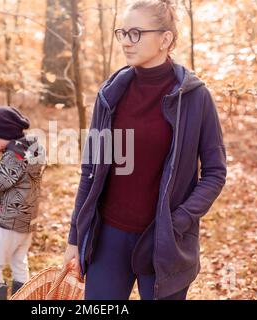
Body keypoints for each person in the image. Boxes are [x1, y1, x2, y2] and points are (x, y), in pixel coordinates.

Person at [63, 0, 227, 300]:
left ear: (165, 39)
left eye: (136, 33)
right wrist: (75, 237)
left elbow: (215, 172)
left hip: (165, 244)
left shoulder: (195, 98)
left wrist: (177, 221)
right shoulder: (110, 94)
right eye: (122, 32)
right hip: (108, 240)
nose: (126, 41)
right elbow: (91, 170)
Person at [0, 106, 46, 300]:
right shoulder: (32, 149)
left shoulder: (14, 155)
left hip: (11, 219)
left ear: (7, 133)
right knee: (19, 261)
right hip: (27, 220)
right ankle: (23, 297)